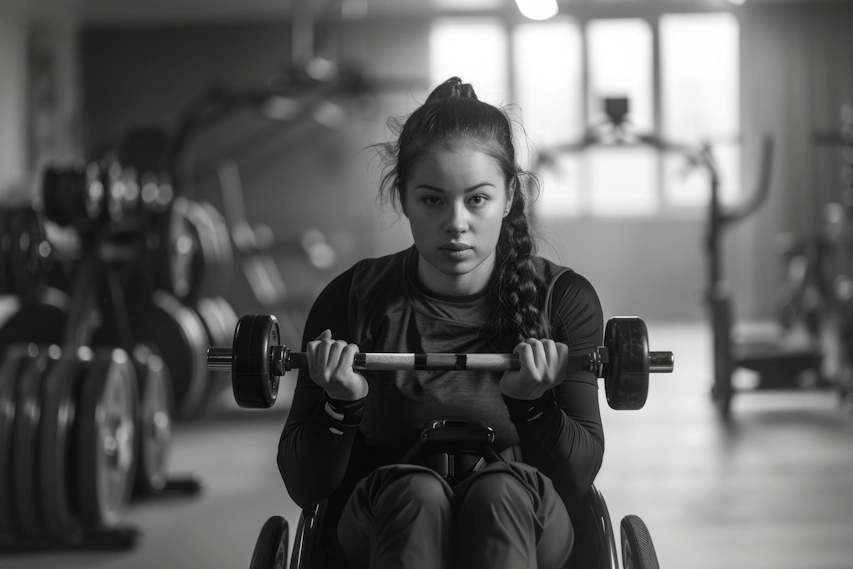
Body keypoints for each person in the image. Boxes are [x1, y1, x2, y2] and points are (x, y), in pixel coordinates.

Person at [278, 77, 604, 569]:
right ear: (402, 197)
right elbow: (306, 487)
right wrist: (339, 408)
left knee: (499, 495)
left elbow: (578, 477)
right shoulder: (350, 300)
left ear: (510, 195)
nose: (455, 222)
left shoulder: (563, 300)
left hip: (529, 519)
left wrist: (533, 407)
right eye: (432, 200)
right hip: (384, 518)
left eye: (477, 199)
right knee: (415, 493)